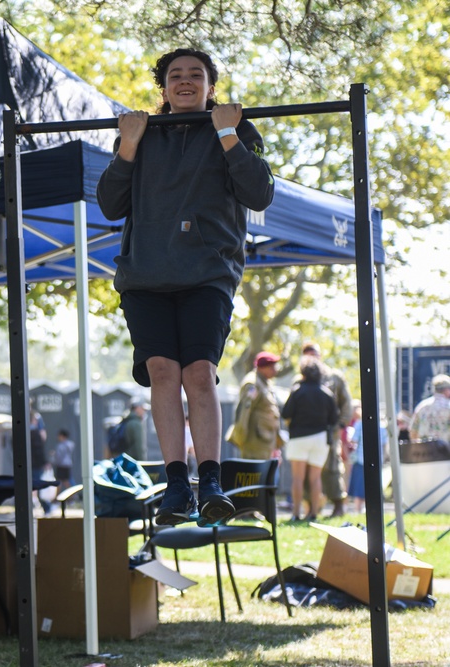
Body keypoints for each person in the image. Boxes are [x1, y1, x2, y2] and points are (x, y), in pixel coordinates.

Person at [96, 48, 275, 526]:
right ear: (164, 87)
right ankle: (177, 485)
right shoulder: (141, 134)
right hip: (146, 276)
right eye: (176, 75)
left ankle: (210, 479)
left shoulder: (232, 129)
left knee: (198, 373)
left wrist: (227, 134)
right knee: (162, 373)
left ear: (211, 86)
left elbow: (260, 193)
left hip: (206, 274)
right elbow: (110, 204)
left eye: (196, 75)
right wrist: (128, 145)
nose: (186, 82)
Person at [281, 355, 339, 521]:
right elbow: (334, 419)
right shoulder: (327, 393)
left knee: (298, 478)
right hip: (320, 438)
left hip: (299, 437)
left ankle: (296, 513)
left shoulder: (297, 391)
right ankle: (314, 513)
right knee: (315, 478)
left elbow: (286, 413)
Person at [302, 341, 353, 517]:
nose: (311, 358)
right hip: (308, 432)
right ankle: (312, 507)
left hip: (330, 432)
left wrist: (340, 425)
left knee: (332, 468)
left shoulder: (334, 377)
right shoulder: (300, 379)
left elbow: (347, 404)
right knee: (309, 470)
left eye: (314, 354)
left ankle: (338, 504)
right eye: (307, 355)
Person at [229, 351, 283, 460]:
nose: (275, 370)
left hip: (265, 441)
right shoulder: (253, 384)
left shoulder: (265, 383)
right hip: (255, 443)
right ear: (262, 367)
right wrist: (240, 436)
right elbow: (244, 411)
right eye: (272, 367)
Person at [409, 373, 450, 442]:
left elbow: (413, 431)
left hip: (425, 450)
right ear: (447, 390)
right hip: (444, 450)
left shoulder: (422, 406)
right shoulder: (448, 406)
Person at [52, 428, 76, 493]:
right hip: (68, 465)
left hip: (61, 465)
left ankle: (70, 495)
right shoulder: (70, 445)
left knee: (62, 481)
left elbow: (59, 456)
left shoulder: (61, 446)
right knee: (66, 481)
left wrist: (54, 459)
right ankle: (72, 495)